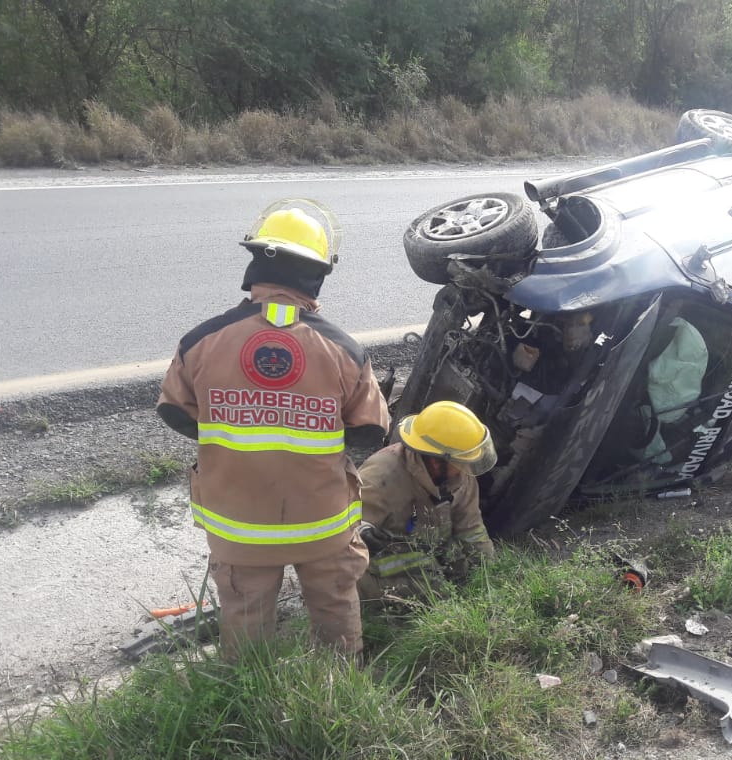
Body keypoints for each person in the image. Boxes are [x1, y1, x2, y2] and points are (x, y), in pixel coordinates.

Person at [156, 198, 390, 661]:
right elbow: (370, 431)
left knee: (244, 618)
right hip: (322, 526)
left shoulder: (201, 341)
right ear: (318, 274)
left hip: (239, 527)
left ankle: (252, 692)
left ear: (255, 265)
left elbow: (174, 412)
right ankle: (340, 686)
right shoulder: (343, 350)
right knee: (336, 609)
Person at [357, 400, 496, 604]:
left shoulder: (460, 478)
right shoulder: (382, 477)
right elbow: (342, 539)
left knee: (459, 566)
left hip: (424, 551)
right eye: (461, 462)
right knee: (436, 591)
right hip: (375, 563)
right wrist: (363, 532)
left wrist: (490, 572)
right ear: (435, 461)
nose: (465, 470)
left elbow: (472, 529)